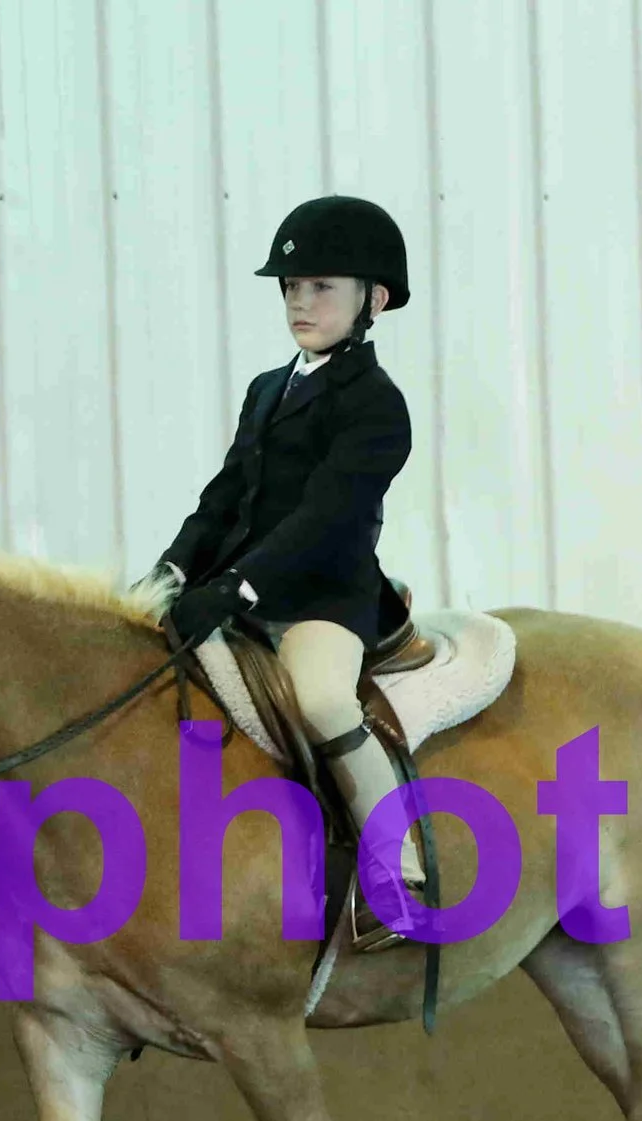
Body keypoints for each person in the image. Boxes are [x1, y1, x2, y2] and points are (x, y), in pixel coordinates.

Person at [143, 195, 428, 947]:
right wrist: (171, 570)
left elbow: (324, 518)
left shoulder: (377, 405)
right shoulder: (268, 387)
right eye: (292, 287)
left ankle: (397, 876)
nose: (301, 302)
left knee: (324, 701)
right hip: (236, 588)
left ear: (374, 299)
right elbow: (225, 496)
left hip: (320, 597)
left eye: (322, 287)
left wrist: (237, 587)